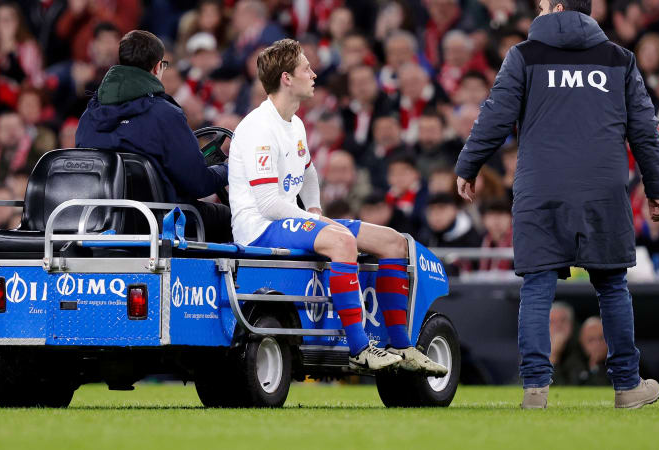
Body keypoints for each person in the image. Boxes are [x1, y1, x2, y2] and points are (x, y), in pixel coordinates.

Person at [454, 0, 659, 409]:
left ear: (554, 7)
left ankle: (535, 389)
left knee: (536, 288)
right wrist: (655, 187)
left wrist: (469, 165)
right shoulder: (618, 58)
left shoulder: (524, 55)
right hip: (603, 189)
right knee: (612, 287)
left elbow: (496, 116)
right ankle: (627, 387)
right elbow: (644, 128)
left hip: (541, 190)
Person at [228, 39, 446, 375]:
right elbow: (269, 204)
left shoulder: (295, 123)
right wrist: (320, 222)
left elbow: (310, 172)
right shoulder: (259, 128)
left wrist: (314, 210)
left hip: (287, 221)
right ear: (287, 78)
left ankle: (402, 347)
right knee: (341, 239)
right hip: (259, 228)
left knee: (393, 242)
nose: (314, 74)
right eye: (306, 68)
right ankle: (359, 349)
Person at [75, 30, 231, 243]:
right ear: (158, 67)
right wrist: (228, 169)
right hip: (159, 223)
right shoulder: (166, 115)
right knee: (227, 217)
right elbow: (198, 184)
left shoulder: (89, 115)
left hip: (99, 223)